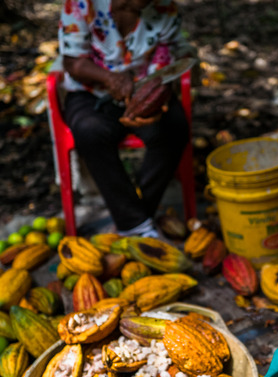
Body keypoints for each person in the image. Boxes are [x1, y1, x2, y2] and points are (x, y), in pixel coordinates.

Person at [58, 0, 195, 238]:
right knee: (90, 131)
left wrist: (150, 101)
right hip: (92, 93)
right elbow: (73, 62)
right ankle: (136, 224)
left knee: (173, 128)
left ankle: (139, 216)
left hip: (147, 88)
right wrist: (110, 79)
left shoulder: (164, 7)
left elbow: (168, 56)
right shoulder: (81, 4)